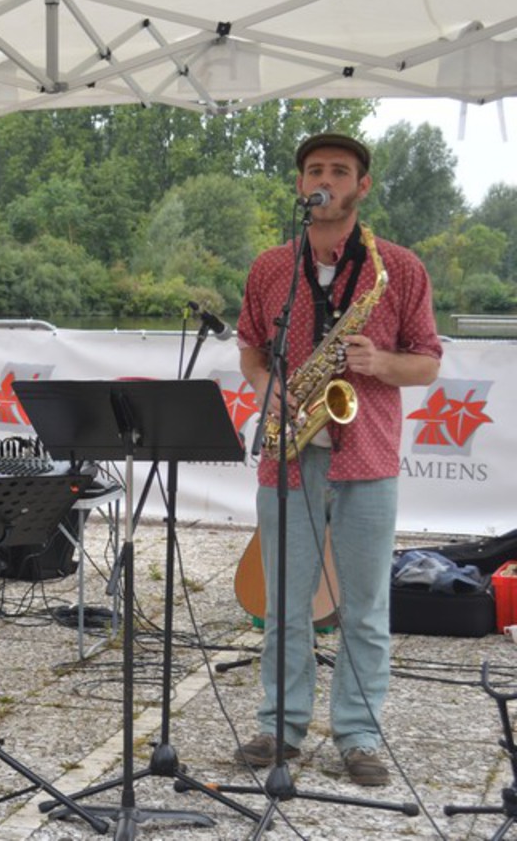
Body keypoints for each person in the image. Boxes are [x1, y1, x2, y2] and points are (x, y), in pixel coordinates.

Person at [233, 133, 442, 786]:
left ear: (362, 186)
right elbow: (250, 347)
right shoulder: (272, 267)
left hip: (367, 455)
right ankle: (281, 725)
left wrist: (380, 363)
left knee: (365, 607)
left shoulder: (397, 268)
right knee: (284, 605)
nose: (326, 179)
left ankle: (358, 734)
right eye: (315, 170)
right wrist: (269, 390)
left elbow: (428, 362)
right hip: (289, 455)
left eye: (340, 171)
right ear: (301, 185)